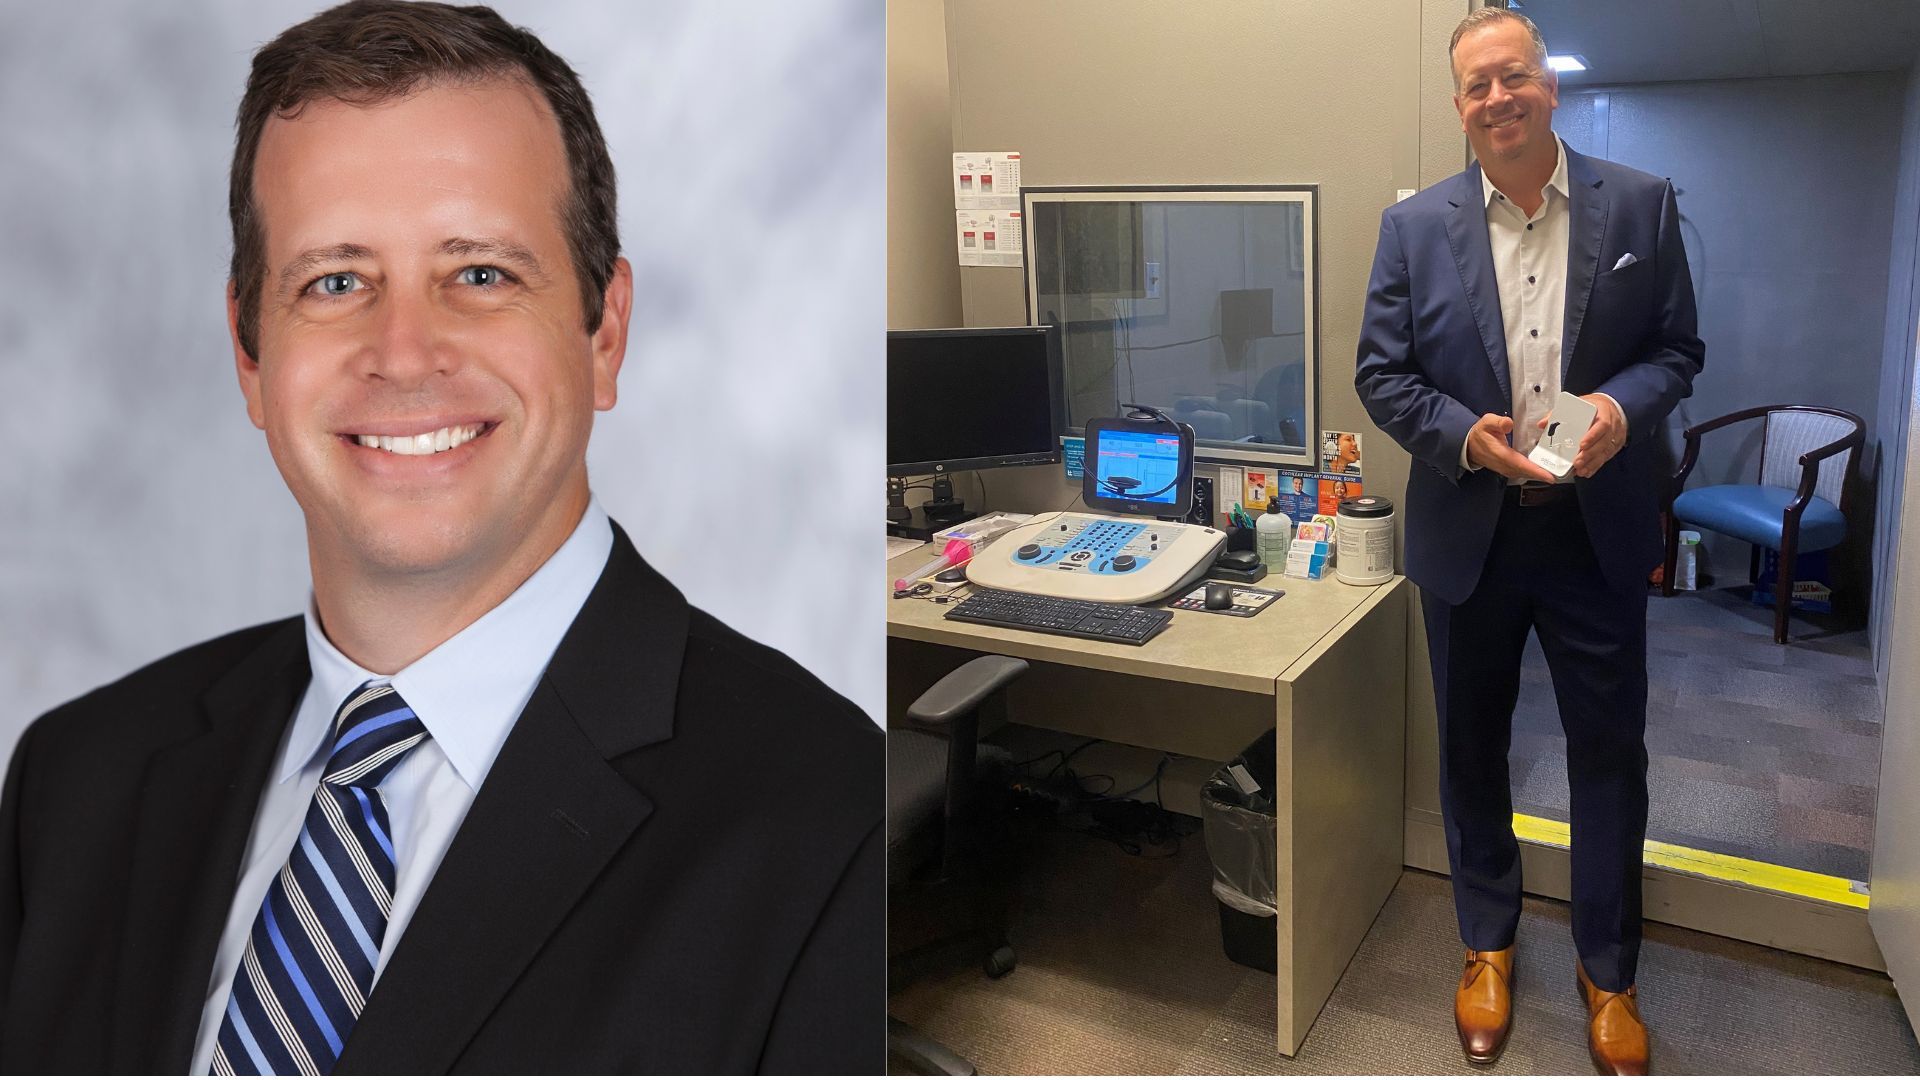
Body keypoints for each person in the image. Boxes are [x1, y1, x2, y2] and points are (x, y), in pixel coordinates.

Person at [0, 2, 882, 1073]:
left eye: (480, 275)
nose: (406, 352)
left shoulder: (828, 821)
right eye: (334, 282)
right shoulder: (75, 783)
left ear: (604, 332)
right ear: (250, 355)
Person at [1354, 8, 1703, 1074]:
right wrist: (1465, 437)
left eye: (1513, 76)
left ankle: (1610, 971)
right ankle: (1487, 945)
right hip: (1472, 531)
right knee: (1469, 748)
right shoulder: (1414, 225)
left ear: (1548, 85)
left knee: (1609, 756)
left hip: (1595, 528)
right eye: (1477, 85)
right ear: (1459, 106)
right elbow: (1382, 374)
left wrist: (1621, 410)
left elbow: (1678, 350)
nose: (1497, 98)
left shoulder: (1639, 203)